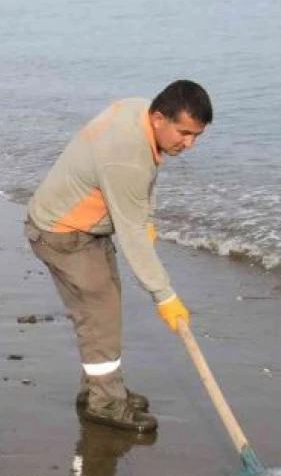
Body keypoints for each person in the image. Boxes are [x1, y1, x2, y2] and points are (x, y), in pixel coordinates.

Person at [25, 81, 213, 433]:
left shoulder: (138, 111)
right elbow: (131, 233)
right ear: (159, 117)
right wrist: (165, 296)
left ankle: (101, 387)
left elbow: (144, 183)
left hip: (86, 226)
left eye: (196, 136)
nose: (188, 144)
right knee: (100, 313)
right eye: (184, 133)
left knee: (104, 310)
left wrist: (148, 219)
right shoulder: (126, 154)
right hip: (62, 232)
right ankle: (105, 402)